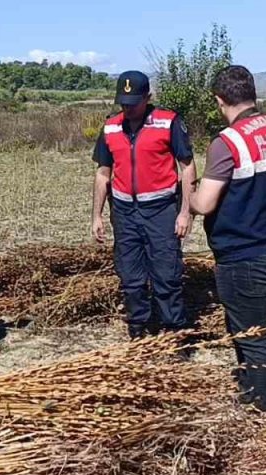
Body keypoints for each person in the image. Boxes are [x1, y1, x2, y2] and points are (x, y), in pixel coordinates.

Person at [189, 65, 266, 412]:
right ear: (253, 94)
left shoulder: (228, 143)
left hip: (244, 256)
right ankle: (250, 390)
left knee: (254, 338)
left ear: (219, 100)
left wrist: (187, 194)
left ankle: (262, 415)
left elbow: (205, 204)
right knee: (246, 326)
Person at [91, 70, 197, 339]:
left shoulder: (168, 122)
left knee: (166, 275)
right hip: (125, 213)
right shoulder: (111, 127)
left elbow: (187, 168)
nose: (128, 108)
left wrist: (186, 212)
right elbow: (103, 173)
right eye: (123, 103)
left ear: (148, 97)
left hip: (161, 210)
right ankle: (138, 329)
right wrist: (97, 216)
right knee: (130, 277)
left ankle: (174, 332)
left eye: (134, 102)